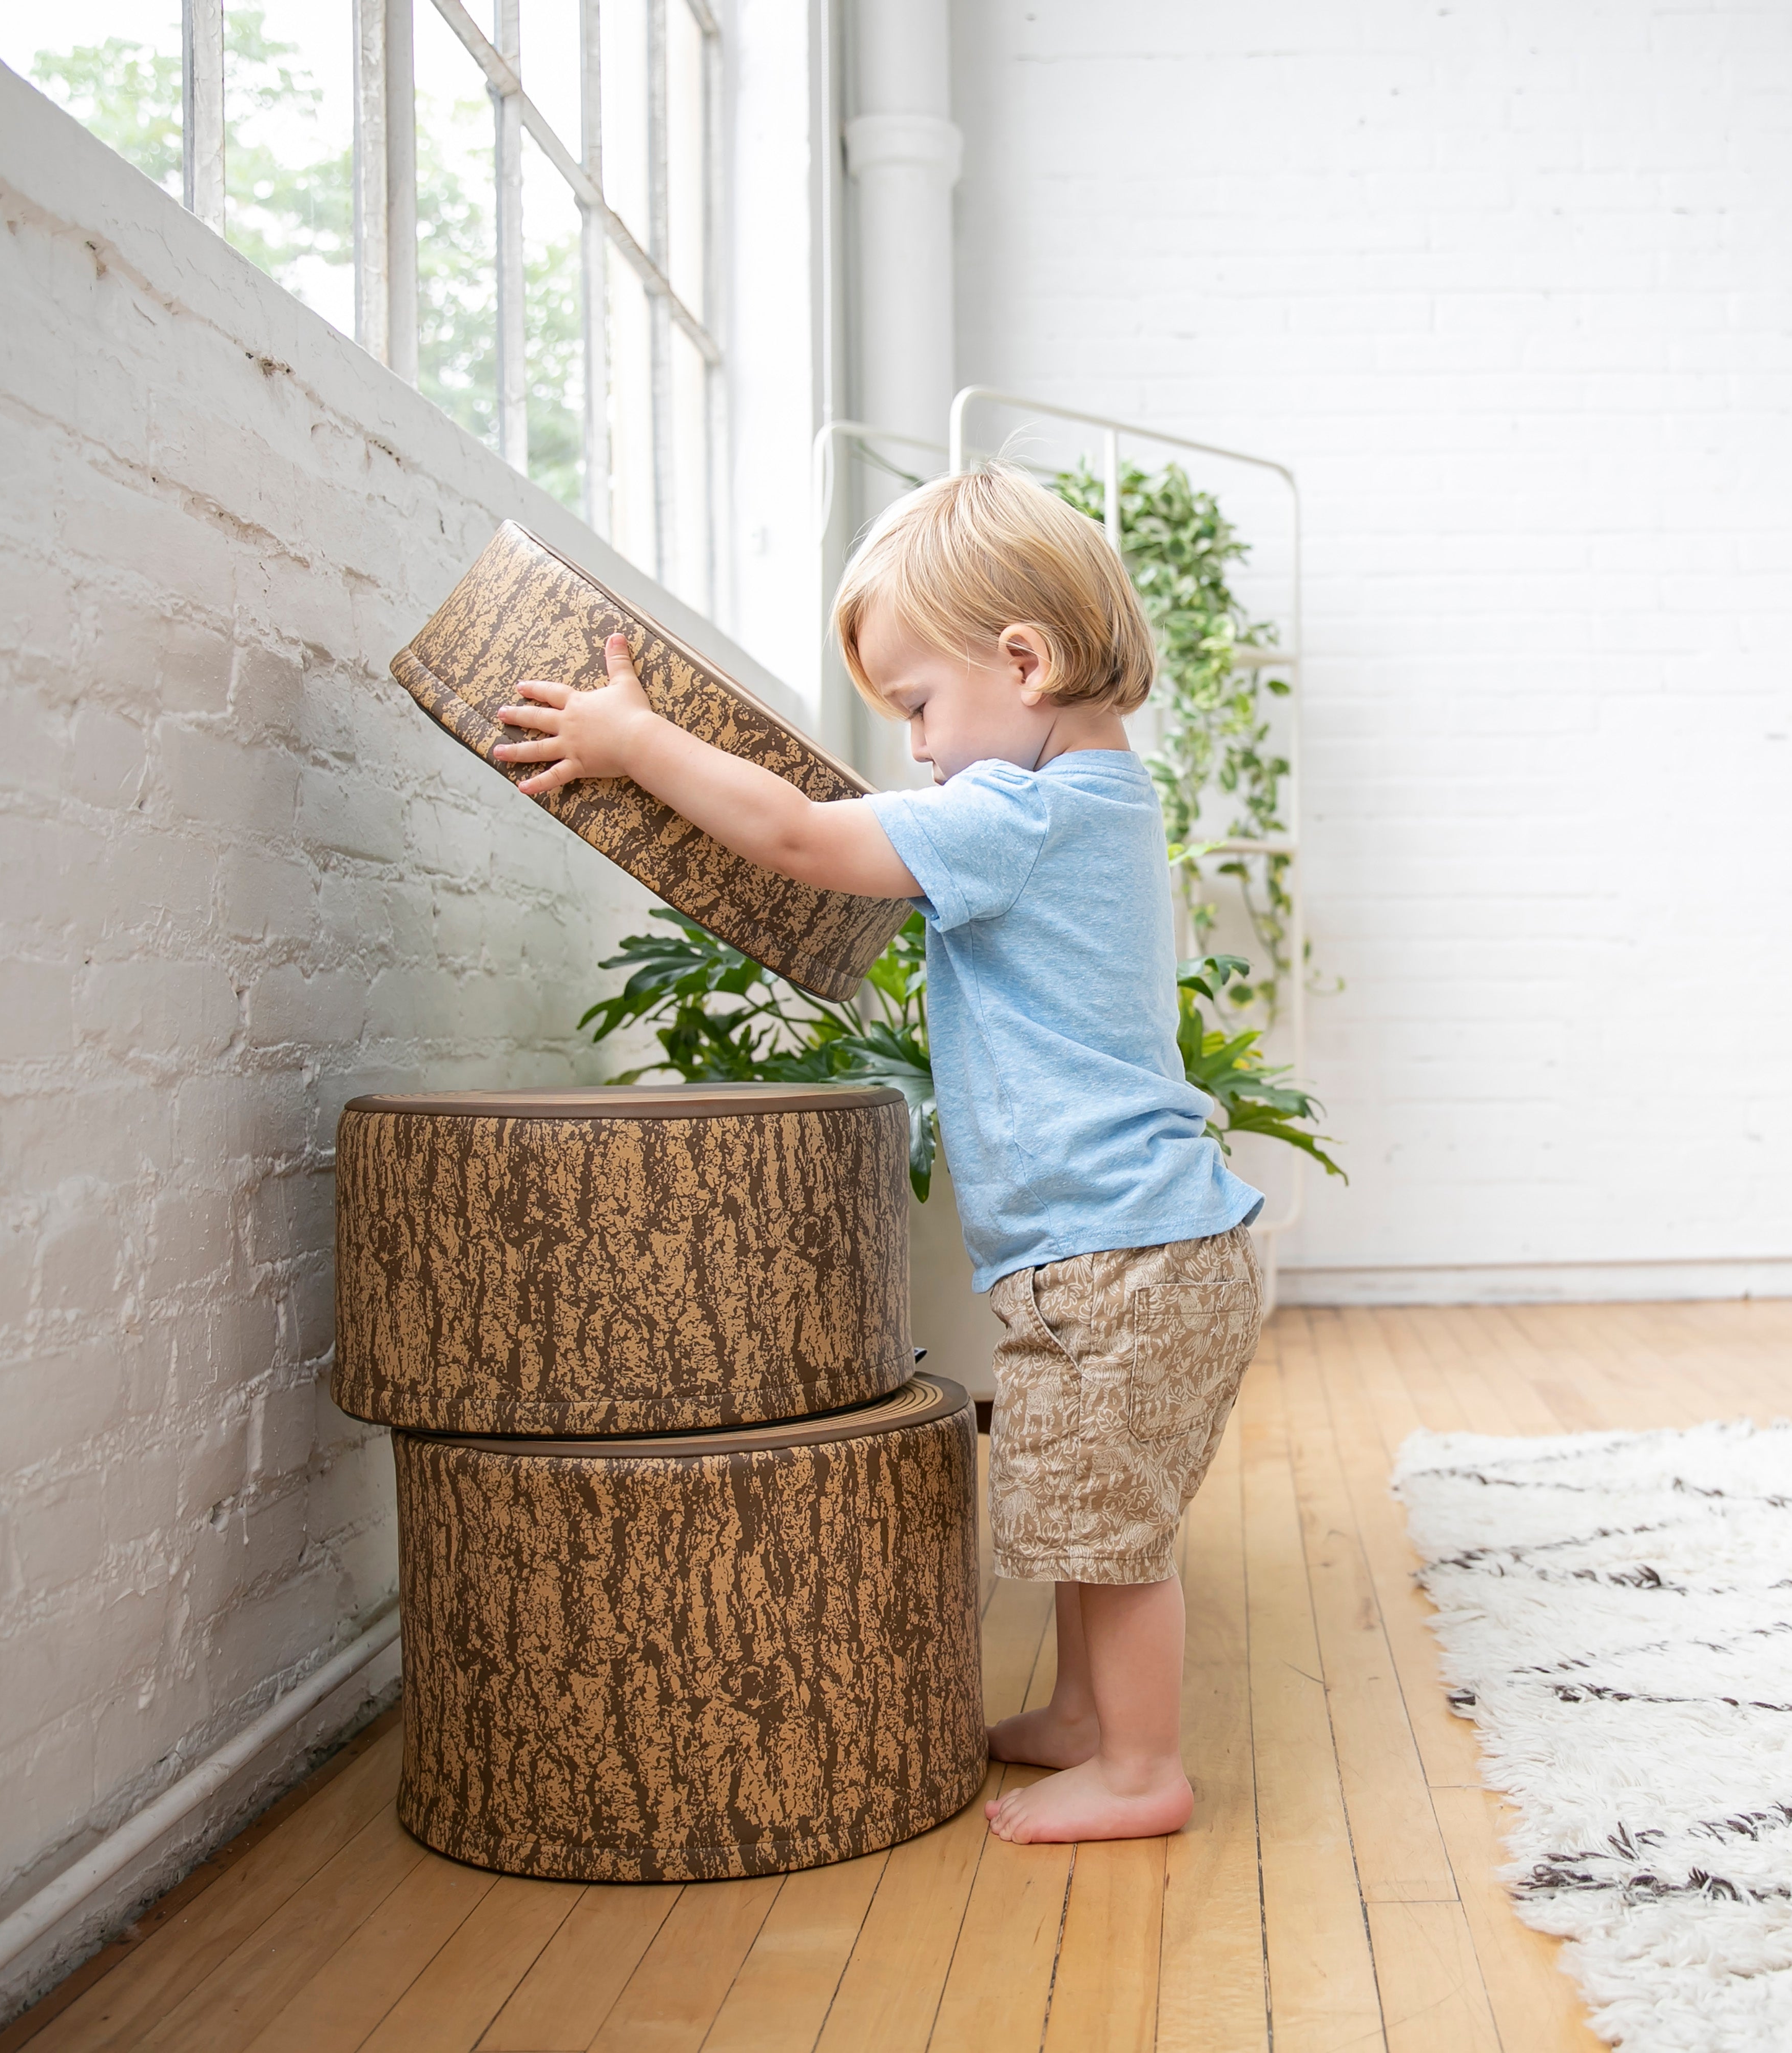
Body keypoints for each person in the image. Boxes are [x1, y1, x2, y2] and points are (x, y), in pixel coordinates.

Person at [493, 463, 1264, 1845]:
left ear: (1023, 662)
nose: (913, 749)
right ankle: (1092, 1722)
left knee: (1112, 1527)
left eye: (917, 706)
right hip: (1118, 1240)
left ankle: (1144, 1769)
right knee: (1078, 1505)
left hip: (1121, 1247)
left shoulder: (1024, 815)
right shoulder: (1096, 802)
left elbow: (799, 837)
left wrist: (636, 743)